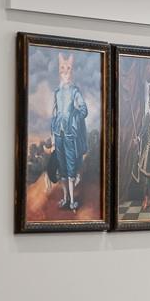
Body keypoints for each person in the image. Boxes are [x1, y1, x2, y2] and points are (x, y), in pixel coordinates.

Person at [51, 53, 89, 212]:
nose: (65, 71)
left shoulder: (75, 91)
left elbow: (84, 110)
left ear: (71, 71)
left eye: (68, 69)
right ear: (59, 70)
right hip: (58, 134)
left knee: (71, 166)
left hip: (70, 135)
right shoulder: (57, 92)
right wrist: (53, 137)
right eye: (63, 68)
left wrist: (74, 119)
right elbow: (54, 114)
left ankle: (73, 201)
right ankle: (65, 198)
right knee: (62, 168)